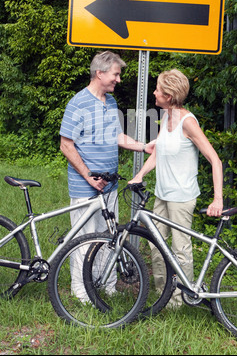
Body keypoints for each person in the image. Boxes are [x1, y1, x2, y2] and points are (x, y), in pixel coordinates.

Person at [60, 50, 153, 300]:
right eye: (116, 74)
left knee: (108, 238)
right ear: (99, 73)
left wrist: (143, 146)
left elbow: (117, 136)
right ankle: (81, 293)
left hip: (109, 185)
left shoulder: (109, 102)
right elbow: (65, 144)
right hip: (86, 187)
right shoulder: (78, 103)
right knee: (84, 240)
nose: (118, 79)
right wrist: (89, 176)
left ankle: (105, 287)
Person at [129, 68, 223, 308]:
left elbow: (215, 159)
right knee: (156, 245)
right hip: (162, 194)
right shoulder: (166, 117)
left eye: (158, 89)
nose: (154, 92)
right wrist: (139, 175)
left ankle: (182, 298)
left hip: (182, 197)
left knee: (179, 248)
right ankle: (164, 296)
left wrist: (218, 199)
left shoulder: (187, 121)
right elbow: (159, 150)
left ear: (169, 96)